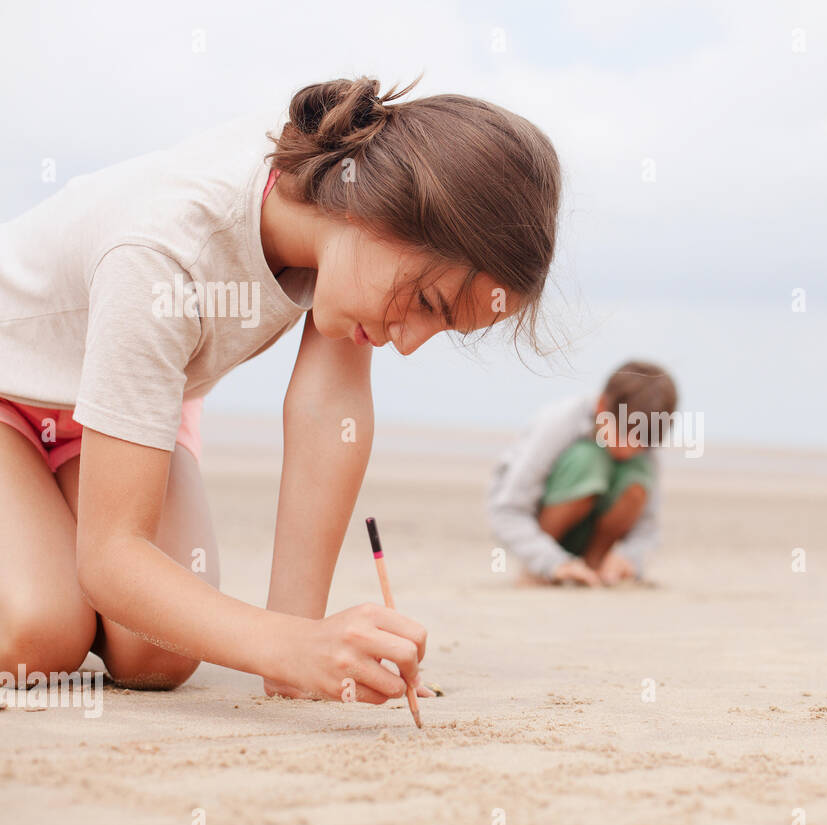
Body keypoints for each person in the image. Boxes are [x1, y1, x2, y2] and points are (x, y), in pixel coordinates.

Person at [0, 77, 561, 703]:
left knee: (155, 654)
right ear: (379, 211)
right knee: (38, 636)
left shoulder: (347, 195)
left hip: (126, 402)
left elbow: (329, 410)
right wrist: (292, 646)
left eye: (445, 325)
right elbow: (110, 557)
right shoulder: (161, 256)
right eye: (428, 303)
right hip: (10, 389)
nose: (411, 343)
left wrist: (294, 650)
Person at [488, 361, 677, 586]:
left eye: (640, 444)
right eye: (621, 435)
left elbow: (648, 528)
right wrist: (549, 561)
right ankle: (542, 572)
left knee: (639, 472)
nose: (628, 450)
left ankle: (593, 568)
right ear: (600, 407)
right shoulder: (560, 421)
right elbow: (507, 511)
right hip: (540, 541)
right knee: (588, 460)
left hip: (592, 542)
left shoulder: (645, 447)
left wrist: (629, 558)